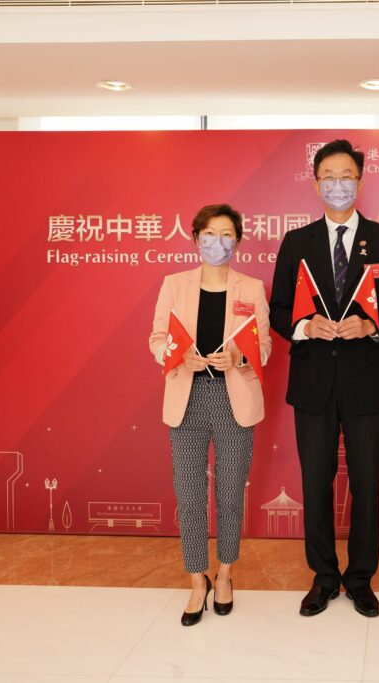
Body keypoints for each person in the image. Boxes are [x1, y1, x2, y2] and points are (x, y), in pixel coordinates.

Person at [269, 139, 379, 618]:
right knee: (315, 482)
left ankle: (360, 579)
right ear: (316, 183)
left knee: (367, 483)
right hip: (312, 381)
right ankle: (324, 577)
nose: (337, 184)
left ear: (360, 180)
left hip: (366, 382)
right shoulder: (297, 242)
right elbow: (277, 311)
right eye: (328, 176)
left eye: (346, 175)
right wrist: (303, 326)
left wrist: (372, 325)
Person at [149, 203, 271, 626]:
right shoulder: (174, 284)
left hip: (233, 398)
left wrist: (238, 358)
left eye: (226, 235)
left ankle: (225, 574)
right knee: (189, 492)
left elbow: (266, 347)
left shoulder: (252, 288)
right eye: (209, 235)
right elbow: (157, 337)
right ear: (196, 237)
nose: (217, 243)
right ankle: (197, 579)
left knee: (231, 491)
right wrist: (180, 356)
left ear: (237, 240)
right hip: (187, 395)